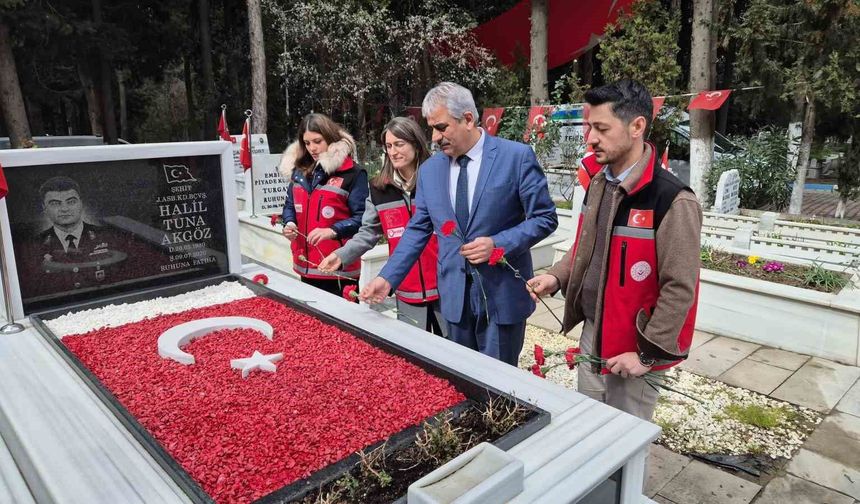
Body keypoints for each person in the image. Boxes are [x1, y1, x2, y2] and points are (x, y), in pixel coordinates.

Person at [528, 79, 702, 421]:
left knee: (624, 443)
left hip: (635, 343)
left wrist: (646, 354)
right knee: (590, 428)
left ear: (637, 126)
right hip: (594, 331)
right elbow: (585, 246)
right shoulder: (599, 183)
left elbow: (680, 288)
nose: (590, 138)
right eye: (590, 127)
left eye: (601, 128)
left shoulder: (672, 200)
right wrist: (555, 277)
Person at [360, 82, 557, 365]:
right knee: (462, 379)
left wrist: (498, 244)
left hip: (501, 297)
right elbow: (418, 229)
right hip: (454, 298)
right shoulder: (430, 171)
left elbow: (544, 218)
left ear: (468, 119)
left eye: (441, 127)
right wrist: (387, 277)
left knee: (499, 388)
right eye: (431, 128)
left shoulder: (515, 157)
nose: (434, 137)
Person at [318, 117, 446, 336]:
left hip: (446, 288)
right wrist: (341, 255)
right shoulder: (378, 189)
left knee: (455, 355)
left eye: (399, 144)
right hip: (406, 289)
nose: (393, 151)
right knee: (416, 354)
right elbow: (368, 232)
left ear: (416, 144)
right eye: (389, 146)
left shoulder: (439, 180)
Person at [279, 113, 368, 297]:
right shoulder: (298, 172)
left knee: (343, 324)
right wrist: (289, 223)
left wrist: (333, 230)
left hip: (338, 266)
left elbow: (364, 219)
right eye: (307, 143)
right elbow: (289, 205)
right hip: (306, 264)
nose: (312, 148)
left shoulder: (352, 173)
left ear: (330, 137)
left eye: (317, 141)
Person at [25, 176, 127, 296]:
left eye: (71, 202)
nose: (64, 209)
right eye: (55, 203)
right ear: (44, 208)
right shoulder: (33, 246)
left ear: (81, 204)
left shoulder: (107, 236)